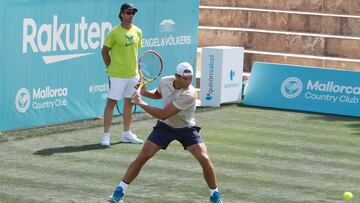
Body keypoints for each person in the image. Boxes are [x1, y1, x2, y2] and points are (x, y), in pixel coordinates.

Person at [108, 62, 223, 203]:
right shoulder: (165, 81)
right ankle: (119, 191)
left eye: (190, 78)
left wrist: (141, 103)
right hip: (165, 127)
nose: (188, 81)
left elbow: (163, 114)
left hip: (186, 128)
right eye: (185, 78)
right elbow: (157, 94)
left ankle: (215, 195)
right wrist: (144, 92)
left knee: (204, 159)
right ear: (176, 76)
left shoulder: (190, 94)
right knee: (142, 157)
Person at [100, 2, 144, 146]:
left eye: (133, 13)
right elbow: (105, 51)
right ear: (122, 14)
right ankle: (106, 136)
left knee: (129, 103)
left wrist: (138, 72)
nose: (131, 15)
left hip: (133, 75)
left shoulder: (138, 31)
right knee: (111, 103)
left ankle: (126, 134)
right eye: (128, 12)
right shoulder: (114, 32)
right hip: (117, 75)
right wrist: (109, 66)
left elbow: (135, 53)